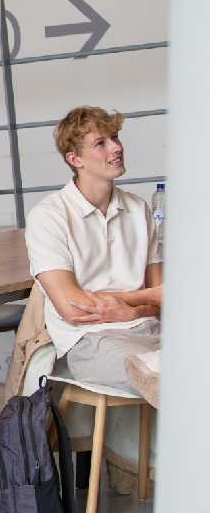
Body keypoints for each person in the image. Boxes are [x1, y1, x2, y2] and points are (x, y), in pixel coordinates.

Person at [25, 107, 162, 393]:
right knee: (176, 380)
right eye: (101, 143)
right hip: (91, 339)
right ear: (75, 159)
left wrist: (132, 310)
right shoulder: (48, 216)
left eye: (115, 137)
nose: (116, 147)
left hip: (149, 328)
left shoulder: (139, 209)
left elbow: (162, 299)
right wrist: (145, 300)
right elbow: (72, 308)